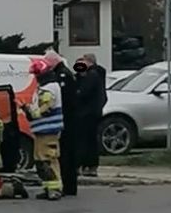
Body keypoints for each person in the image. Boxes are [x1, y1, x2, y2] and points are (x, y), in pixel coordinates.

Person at [21, 58, 64, 201]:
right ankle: (48, 187)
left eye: (36, 75)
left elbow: (46, 106)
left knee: (47, 160)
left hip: (48, 130)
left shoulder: (49, 88)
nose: (35, 78)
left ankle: (54, 189)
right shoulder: (49, 86)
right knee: (41, 160)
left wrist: (30, 113)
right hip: (43, 130)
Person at [44, 50, 79, 196]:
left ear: (53, 61)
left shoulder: (63, 75)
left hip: (68, 121)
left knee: (66, 155)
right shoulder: (61, 73)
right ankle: (67, 185)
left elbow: (65, 99)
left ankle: (69, 186)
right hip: (67, 120)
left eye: (47, 63)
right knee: (64, 154)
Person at [74, 54, 107, 177]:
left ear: (88, 62)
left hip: (86, 113)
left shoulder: (92, 76)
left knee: (85, 140)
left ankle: (85, 165)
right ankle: (89, 165)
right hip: (93, 113)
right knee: (90, 140)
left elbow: (82, 93)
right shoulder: (97, 74)